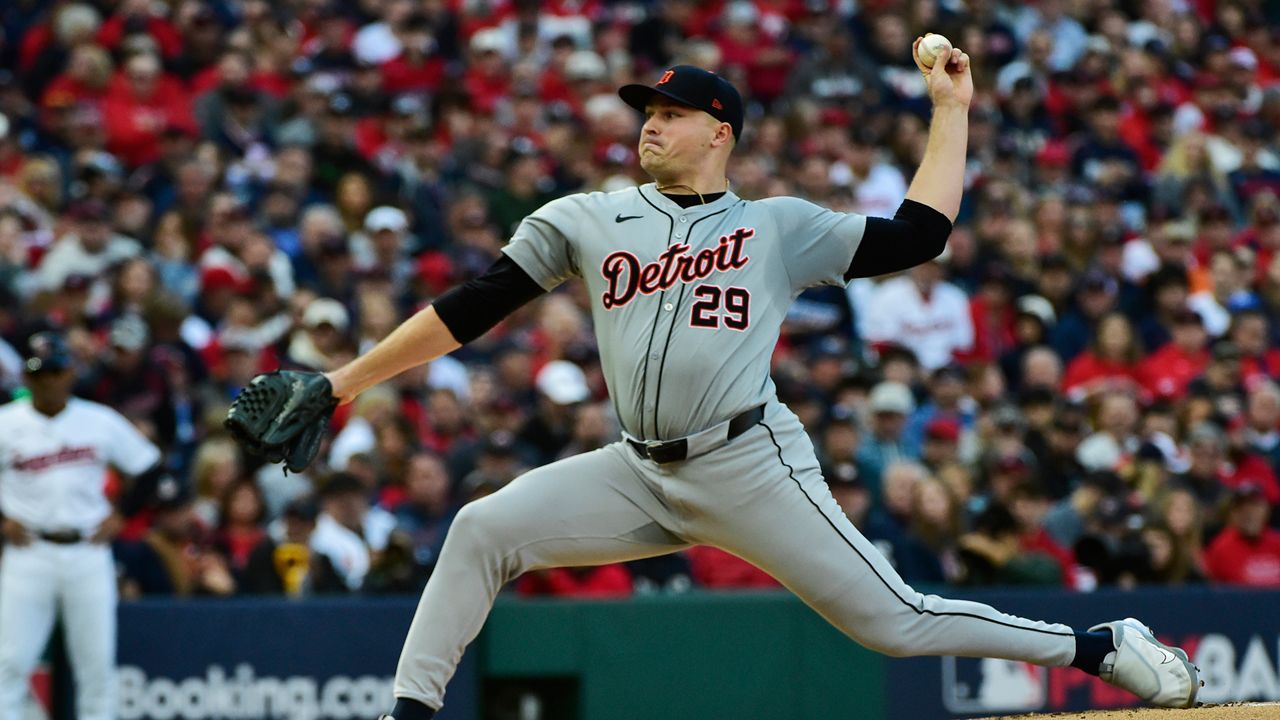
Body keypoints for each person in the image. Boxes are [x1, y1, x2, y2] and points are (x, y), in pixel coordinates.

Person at [306, 55, 1199, 719]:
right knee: (482, 527)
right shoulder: (586, 217)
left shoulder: (776, 227)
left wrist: (950, 111)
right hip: (636, 469)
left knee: (895, 623)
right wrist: (341, 384)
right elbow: (471, 307)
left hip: (749, 465)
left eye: (671, 111)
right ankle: (408, 716)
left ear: (719, 131)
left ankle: (1097, 646)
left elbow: (919, 236)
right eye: (646, 112)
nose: (650, 124)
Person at [0, 332, 166, 720]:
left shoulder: (98, 420)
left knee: (96, 667)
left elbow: (150, 469)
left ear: (71, 372)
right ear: (27, 377)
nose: (50, 381)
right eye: (41, 373)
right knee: (10, 662)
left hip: (87, 550)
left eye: (57, 371)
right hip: (29, 552)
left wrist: (122, 513)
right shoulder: (7, 423)